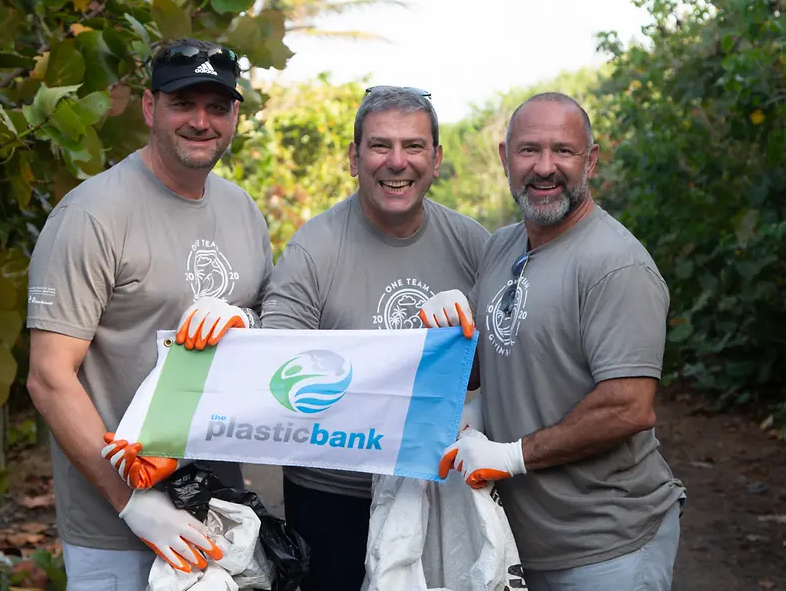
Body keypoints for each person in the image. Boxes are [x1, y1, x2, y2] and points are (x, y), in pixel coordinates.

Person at [25, 38, 273, 591]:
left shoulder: (243, 212)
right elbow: (48, 376)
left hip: (217, 517)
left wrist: (247, 325)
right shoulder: (93, 214)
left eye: (217, 106)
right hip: (115, 529)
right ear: (149, 107)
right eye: (183, 103)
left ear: (235, 115)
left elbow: (268, 333)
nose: (201, 121)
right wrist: (133, 502)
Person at [419, 92, 686, 591]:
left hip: (606, 545)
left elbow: (628, 408)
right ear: (505, 157)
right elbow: (488, 366)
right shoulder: (501, 247)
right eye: (528, 151)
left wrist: (512, 456)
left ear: (591, 159)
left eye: (562, 151)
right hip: (524, 545)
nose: (544, 168)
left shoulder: (615, 265)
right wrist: (448, 328)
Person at [258, 86, 491, 590]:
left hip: (436, 487)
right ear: (353, 157)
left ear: (436, 158)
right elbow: (275, 371)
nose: (397, 162)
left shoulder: (474, 244)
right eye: (380, 145)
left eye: (414, 146)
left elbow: (497, 371)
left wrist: (459, 342)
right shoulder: (314, 247)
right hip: (332, 490)